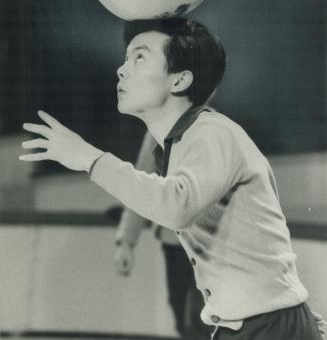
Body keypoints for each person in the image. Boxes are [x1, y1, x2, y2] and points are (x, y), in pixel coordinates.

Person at [20, 17, 325, 339]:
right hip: (248, 325)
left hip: (268, 327)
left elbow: (175, 205)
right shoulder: (182, 141)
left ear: (179, 81)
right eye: (126, 58)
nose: (121, 69)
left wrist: (89, 159)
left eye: (139, 57)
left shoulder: (211, 133)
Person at [115, 130, 209, 340]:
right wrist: (126, 242)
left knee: (199, 319)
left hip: (208, 245)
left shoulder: (217, 126)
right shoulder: (158, 129)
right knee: (180, 313)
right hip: (173, 242)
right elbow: (140, 185)